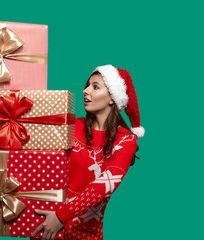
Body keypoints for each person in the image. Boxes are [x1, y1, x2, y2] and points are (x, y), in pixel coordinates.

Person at [31, 64, 145, 240]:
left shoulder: (125, 140)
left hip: (84, 235)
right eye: (87, 85)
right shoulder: (71, 127)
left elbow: (106, 185)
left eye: (95, 87)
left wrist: (61, 216)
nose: (85, 91)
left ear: (112, 98)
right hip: (47, 231)